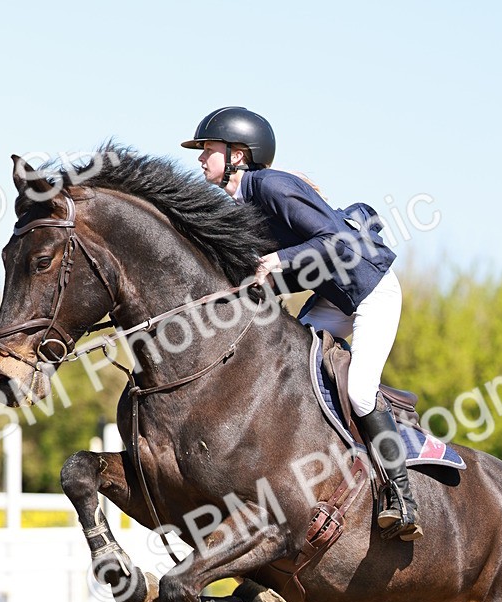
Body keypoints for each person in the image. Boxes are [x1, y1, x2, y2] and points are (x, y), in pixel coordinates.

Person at [181, 106, 422, 541]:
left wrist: (278, 260)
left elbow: (337, 240)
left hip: (372, 293)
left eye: (207, 149)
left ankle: (401, 497)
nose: (200, 158)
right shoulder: (243, 202)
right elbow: (295, 271)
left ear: (238, 154)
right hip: (333, 298)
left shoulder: (271, 186)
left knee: (360, 390)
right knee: (293, 365)